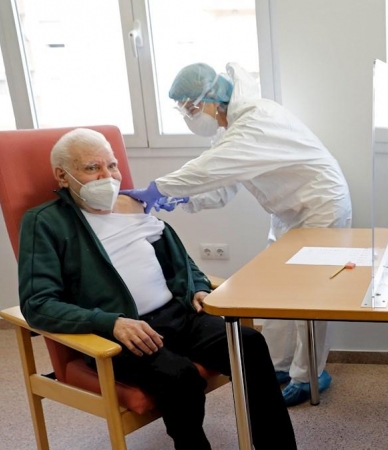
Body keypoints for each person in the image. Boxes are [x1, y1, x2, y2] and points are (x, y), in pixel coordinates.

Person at [18, 129, 296, 450]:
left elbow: (182, 262)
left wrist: (199, 288)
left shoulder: (133, 207)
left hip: (179, 315)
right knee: (180, 377)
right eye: (92, 168)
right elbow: (37, 304)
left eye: (112, 166)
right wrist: (111, 323)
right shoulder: (46, 222)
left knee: (249, 344)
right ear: (62, 176)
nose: (107, 177)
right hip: (121, 333)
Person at [122, 62, 353, 406]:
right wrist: (182, 197)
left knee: (310, 298)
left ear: (213, 98)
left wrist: (160, 188)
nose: (190, 115)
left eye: (191, 107)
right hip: (289, 212)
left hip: (320, 208)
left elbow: (210, 168)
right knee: (274, 292)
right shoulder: (231, 129)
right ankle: (277, 366)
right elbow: (222, 186)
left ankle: (310, 375)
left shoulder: (256, 122)